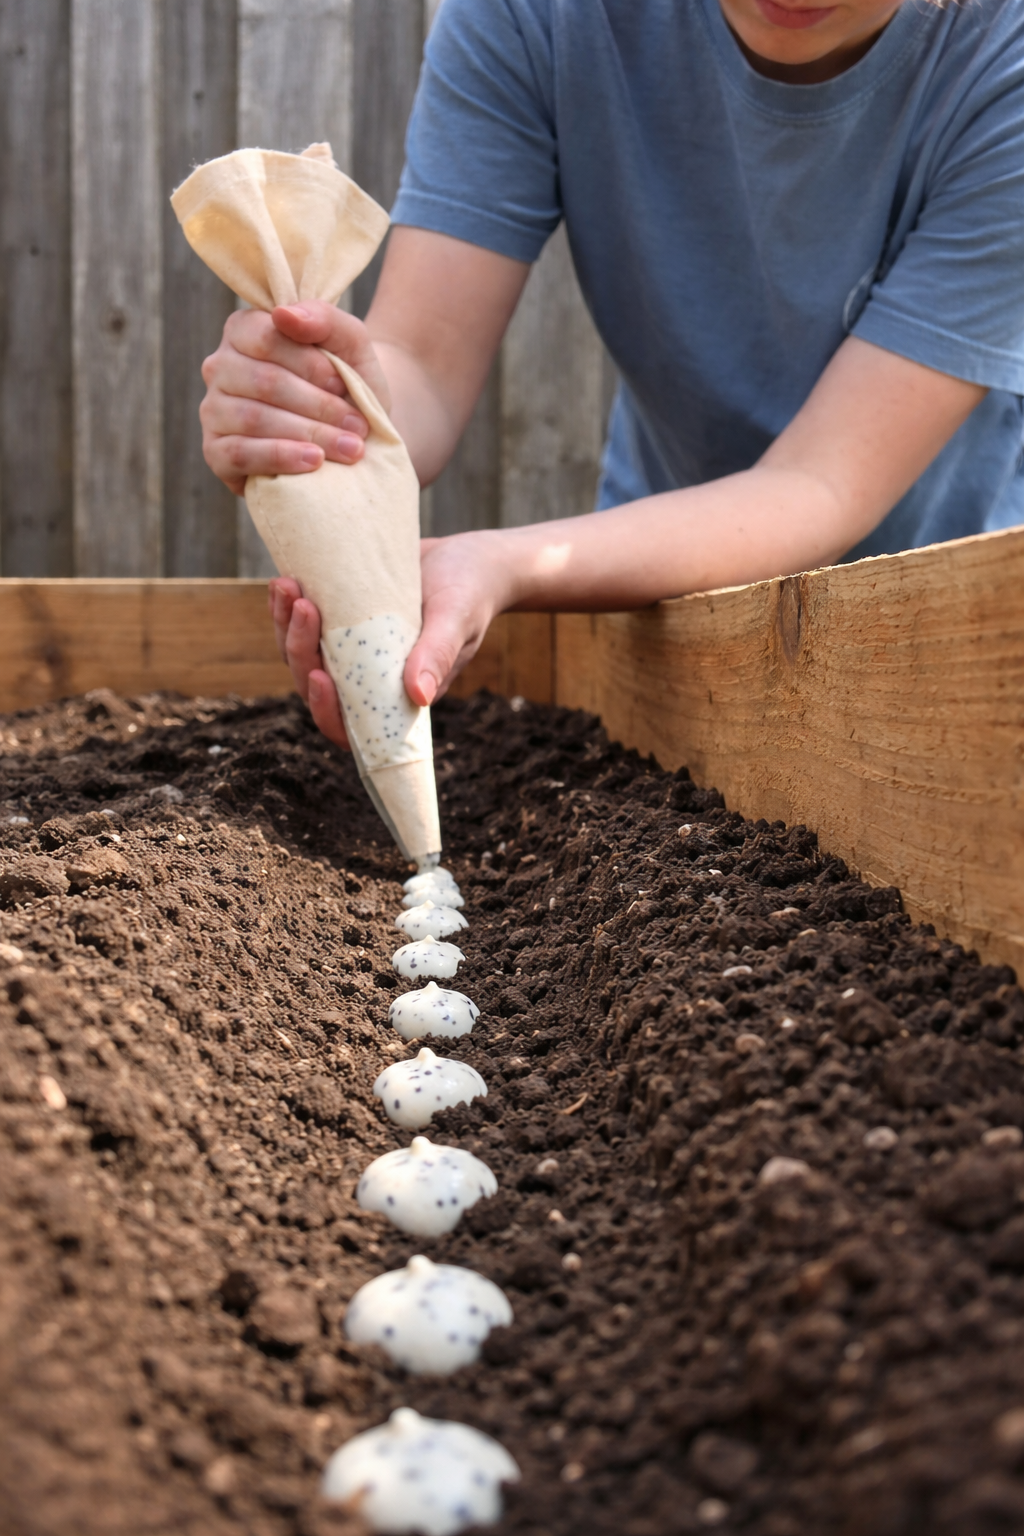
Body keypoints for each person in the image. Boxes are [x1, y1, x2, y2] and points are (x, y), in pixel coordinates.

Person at [198, 0, 1024, 752]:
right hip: (659, 612)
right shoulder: (535, 16)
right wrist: (319, 412)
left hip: (956, 631)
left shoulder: (1002, 58)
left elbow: (820, 484)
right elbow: (420, 369)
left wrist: (503, 565)